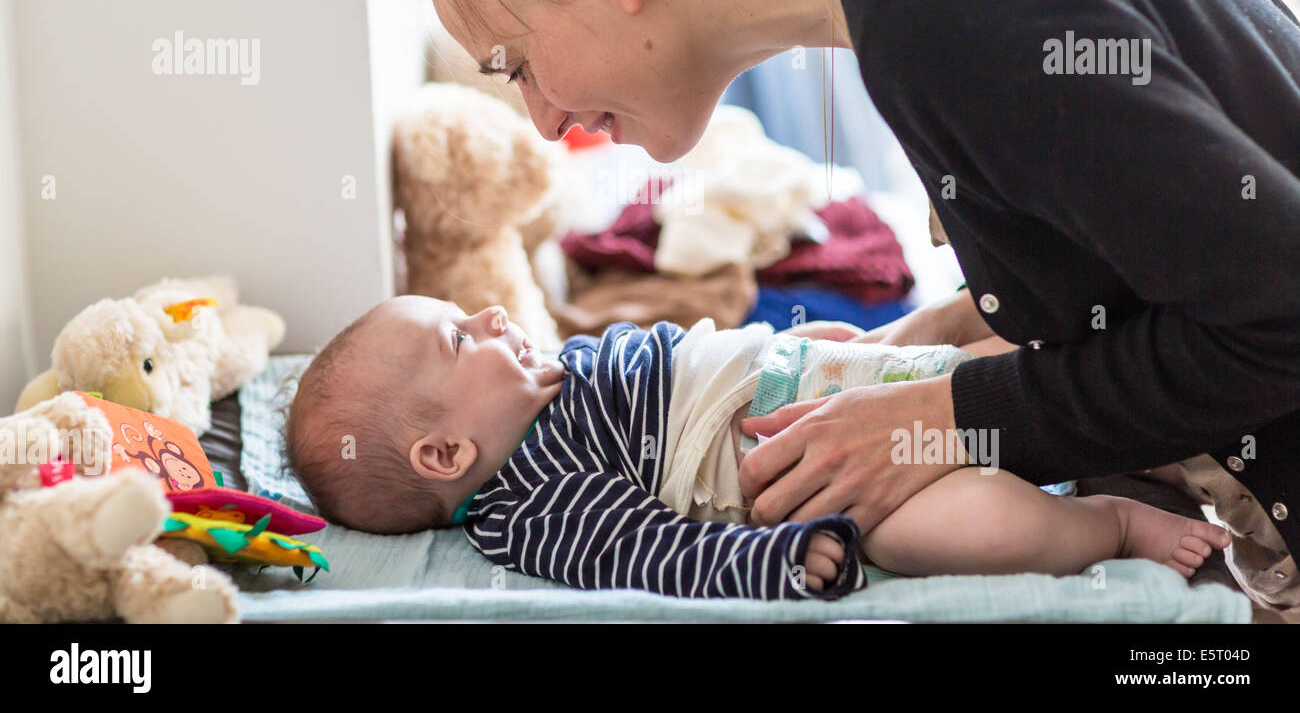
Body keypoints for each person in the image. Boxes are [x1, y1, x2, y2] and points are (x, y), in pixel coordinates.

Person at [407, 0, 1300, 610]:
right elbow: (1121, 229)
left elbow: (1279, 312)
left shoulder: (938, 6)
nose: (544, 121)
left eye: (515, 64)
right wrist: (941, 331)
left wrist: (947, 418)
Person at [283, 296, 1229, 599]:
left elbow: (686, 349)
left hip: (801, 375)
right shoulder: (535, 500)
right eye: (460, 338)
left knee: (967, 354)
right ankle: (1105, 522)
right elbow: (655, 558)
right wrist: (774, 558)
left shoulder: (554, 373)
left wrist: (807, 347)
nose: (488, 314)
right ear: (446, 458)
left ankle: (1160, 387)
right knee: (956, 528)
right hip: (814, 471)